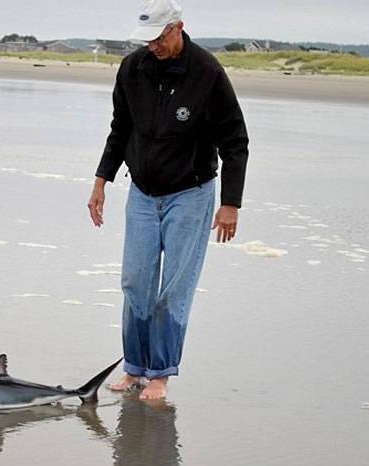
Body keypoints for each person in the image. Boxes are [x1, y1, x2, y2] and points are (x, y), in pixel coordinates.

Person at [87, 0, 249, 400]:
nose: (153, 46)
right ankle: (135, 366)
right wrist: (101, 180)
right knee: (135, 282)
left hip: (190, 195)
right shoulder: (132, 69)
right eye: (147, 39)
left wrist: (230, 204)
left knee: (173, 290)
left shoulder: (208, 73)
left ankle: (159, 374)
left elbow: (235, 142)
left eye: (159, 37)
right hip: (142, 192)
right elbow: (119, 129)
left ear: (178, 27)